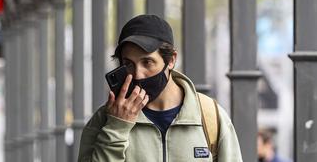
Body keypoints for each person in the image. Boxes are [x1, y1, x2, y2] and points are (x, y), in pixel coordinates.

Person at [78, 14, 243, 161]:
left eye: (147, 62)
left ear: (171, 60)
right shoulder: (105, 119)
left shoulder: (210, 116)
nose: (138, 74)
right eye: (128, 64)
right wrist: (117, 128)